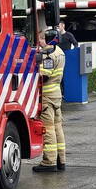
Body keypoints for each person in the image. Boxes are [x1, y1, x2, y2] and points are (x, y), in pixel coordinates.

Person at [34, 28, 66, 173]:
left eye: (40, 39)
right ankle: (61, 160)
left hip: (47, 96)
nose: (39, 42)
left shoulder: (48, 55)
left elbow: (44, 76)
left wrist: (34, 69)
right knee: (58, 127)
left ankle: (49, 162)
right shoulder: (60, 51)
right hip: (57, 95)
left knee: (49, 129)